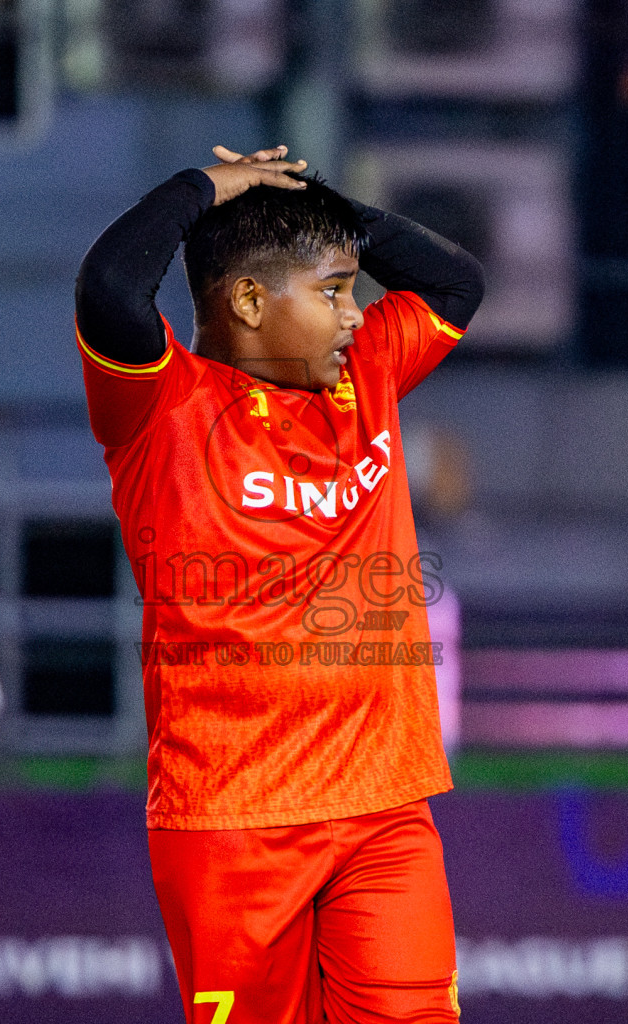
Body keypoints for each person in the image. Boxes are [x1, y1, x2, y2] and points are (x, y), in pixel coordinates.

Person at [74, 144, 485, 1023]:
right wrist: (201, 190)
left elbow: (457, 285)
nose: (354, 313)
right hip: (233, 824)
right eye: (332, 291)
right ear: (251, 300)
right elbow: (110, 288)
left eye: (352, 288)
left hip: (383, 809)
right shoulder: (163, 407)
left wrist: (321, 206)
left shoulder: (365, 373)